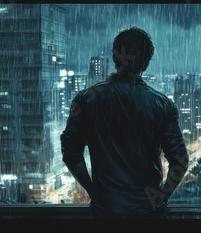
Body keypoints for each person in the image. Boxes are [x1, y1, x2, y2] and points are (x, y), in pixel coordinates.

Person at [60, 26, 189, 219]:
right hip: (148, 214)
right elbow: (180, 161)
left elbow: (70, 152)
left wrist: (94, 191)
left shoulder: (86, 100)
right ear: (146, 64)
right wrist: (161, 197)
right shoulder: (162, 105)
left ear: (114, 58)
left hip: (105, 212)